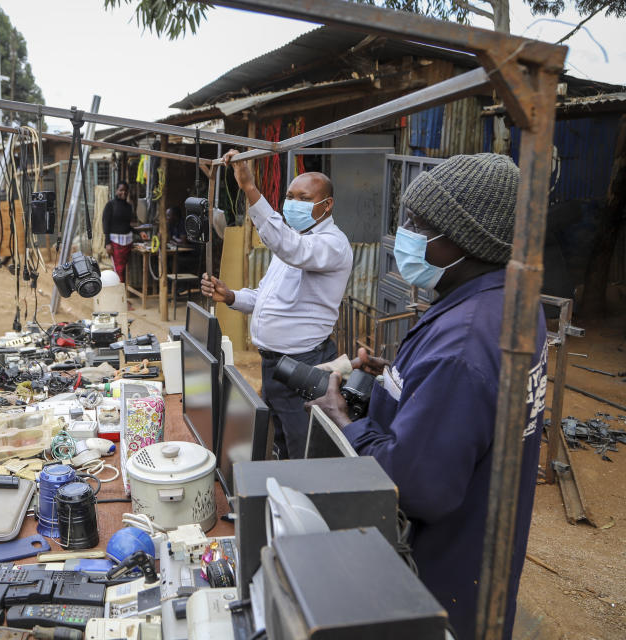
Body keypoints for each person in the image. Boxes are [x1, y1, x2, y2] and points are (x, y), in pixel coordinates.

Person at [307, 154, 546, 640]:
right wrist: (399, 380)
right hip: (483, 561)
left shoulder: (463, 346)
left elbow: (415, 489)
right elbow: (461, 411)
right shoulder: (511, 303)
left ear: (466, 239)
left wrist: (345, 421)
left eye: (418, 224)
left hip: (438, 579)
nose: (404, 234)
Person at [201, 150, 352, 459]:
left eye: (303, 198)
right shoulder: (294, 238)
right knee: (277, 443)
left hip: (303, 365)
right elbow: (265, 296)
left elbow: (291, 248)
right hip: (272, 364)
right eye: (289, 196)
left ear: (327, 205)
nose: (293, 203)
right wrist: (231, 296)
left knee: (303, 450)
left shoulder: (331, 244)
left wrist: (250, 189)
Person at [102, 181, 147, 282]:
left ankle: (123, 291)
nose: (124, 193)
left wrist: (139, 233)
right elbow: (106, 225)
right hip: (115, 243)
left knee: (124, 270)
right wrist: (107, 243)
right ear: (116, 190)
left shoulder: (128, 207)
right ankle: (120, 292)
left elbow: (127, 226)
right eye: (121, 190)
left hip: (127, 243)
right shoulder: (110, 205)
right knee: (119, 270)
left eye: (126, 191)